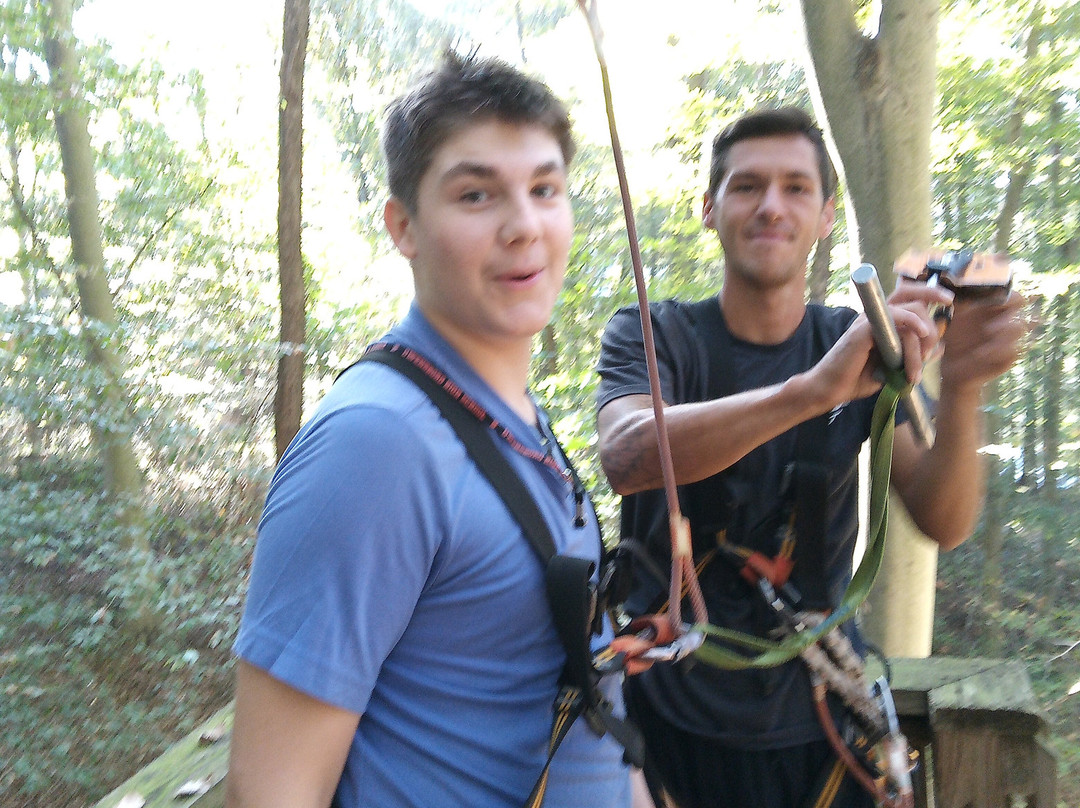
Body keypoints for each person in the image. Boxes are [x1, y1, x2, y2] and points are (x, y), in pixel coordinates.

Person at [225, 52, 634, 808]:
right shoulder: (378, 446)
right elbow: (272, 792)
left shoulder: (510, 418)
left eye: (545, 189)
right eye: (477, 194)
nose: (524, 226)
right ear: (403, 226)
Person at [595, 106, 1026, 808]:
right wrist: (811, 391)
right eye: (747, 186)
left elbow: (942, 520)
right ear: (709, 209)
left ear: (827, 215)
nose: (771, 206)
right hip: (662, 727)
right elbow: (628, 455)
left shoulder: (856, 343)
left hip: (818, 730)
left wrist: (966, 386)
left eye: (796, 188)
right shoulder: (656, 336)